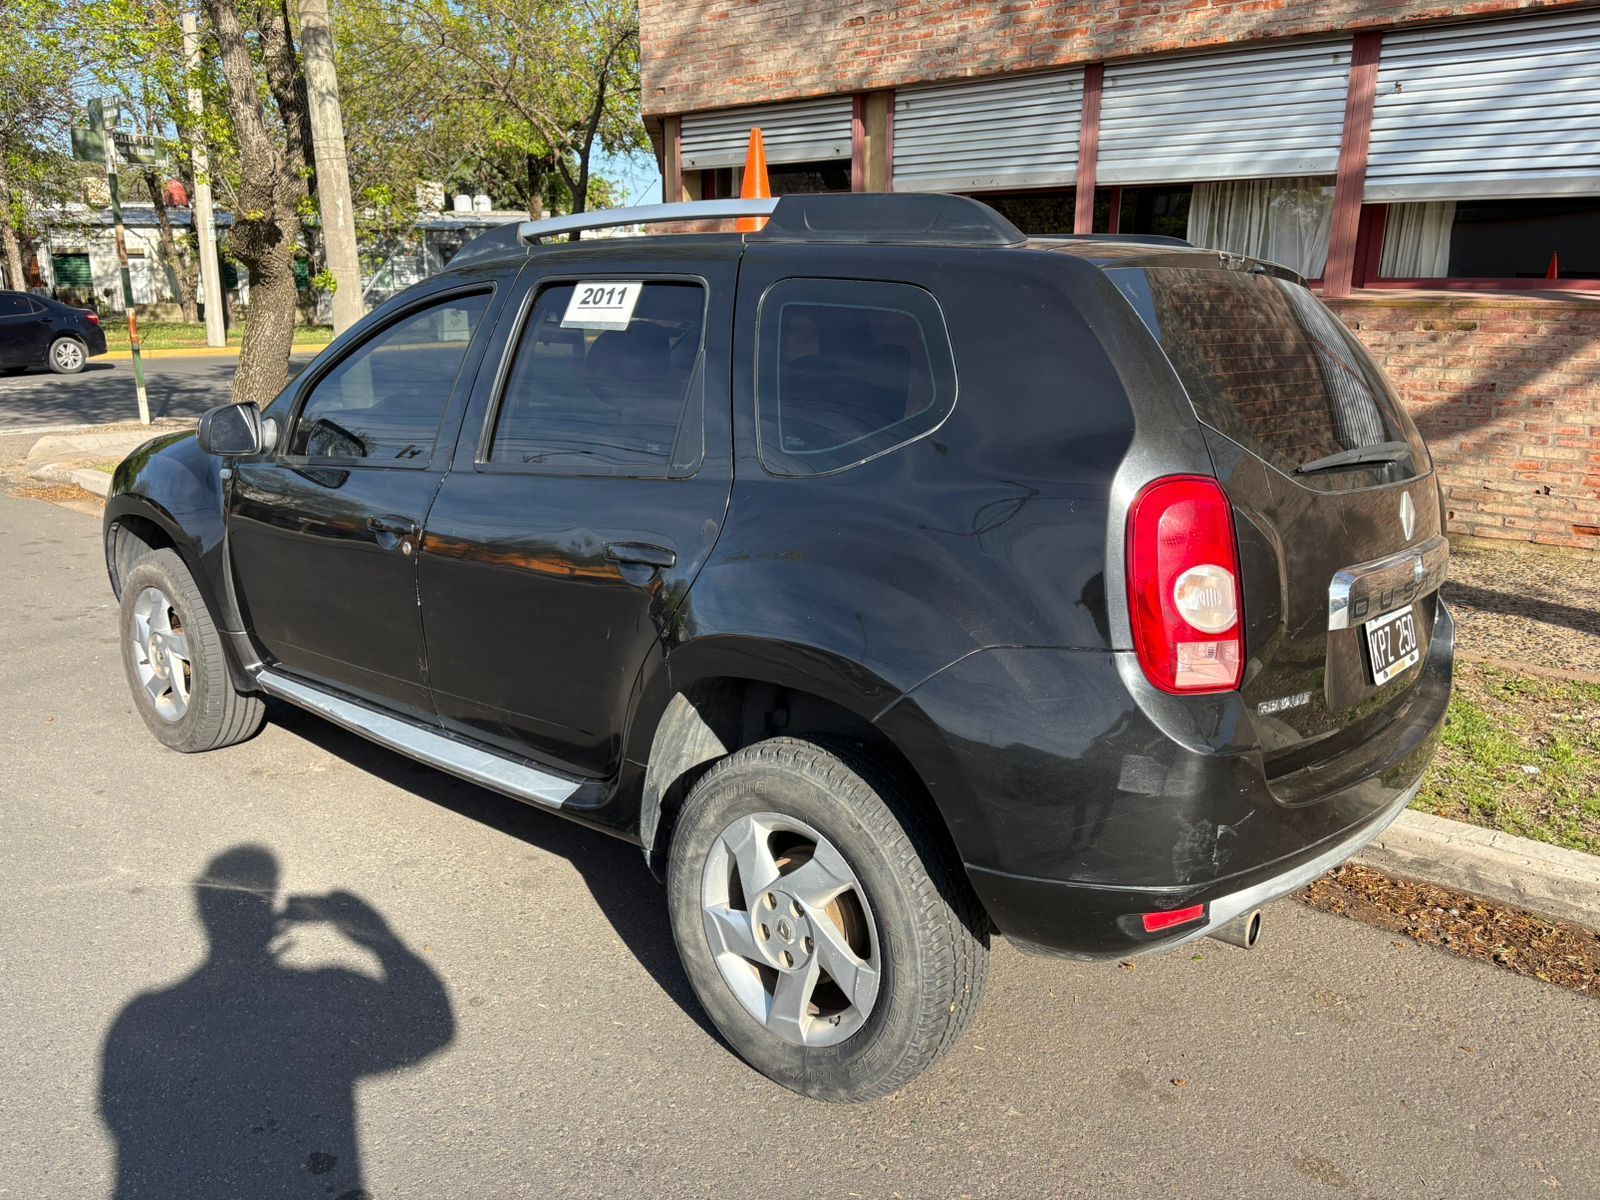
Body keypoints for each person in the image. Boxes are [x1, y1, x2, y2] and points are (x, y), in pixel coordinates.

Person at [99, 845, 453, 1200]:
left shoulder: (145, 1015)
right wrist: (383, 940)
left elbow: (128, 1124)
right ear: (272, 920)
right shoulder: (322, 996)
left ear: (203, 916)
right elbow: (429, 1027)